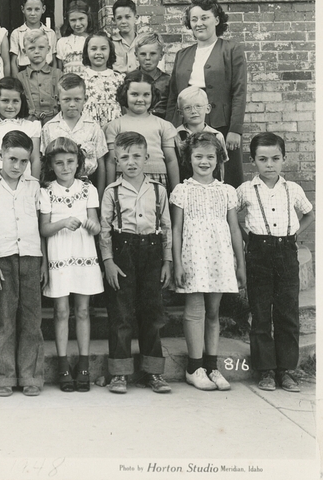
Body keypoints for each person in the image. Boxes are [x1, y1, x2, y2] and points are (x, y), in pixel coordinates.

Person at [237, 133, 314, 393]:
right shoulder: (246, 189)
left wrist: (293, 235)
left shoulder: (293, 189)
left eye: (275, 159)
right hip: (258, 253)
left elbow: (309, 214)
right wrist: (248, 238)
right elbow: (232, 216)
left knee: (287, 313)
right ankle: (266, 371)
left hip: (286, 252)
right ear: (253, 161)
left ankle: (286, 371)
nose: (269, 164)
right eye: (262, 159)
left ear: (284, 159)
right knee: (260, 313)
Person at [170, 132, 246, 391]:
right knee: (195, 311)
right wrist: (177, 262)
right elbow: (177, 229)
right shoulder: (182, 190)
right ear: (189, 159)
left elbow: (235, 229)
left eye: (210, 156)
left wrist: (240, 263)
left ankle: (212, 366)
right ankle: (194, 367)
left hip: (219, 257)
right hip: (193, 256)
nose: (204, 161)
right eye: (198, 156)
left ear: (219, 159)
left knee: (213, 312)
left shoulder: (226, 192)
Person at [99, 132, 172, 395]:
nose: (131, 162)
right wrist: (107, 260)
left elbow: (166, 226)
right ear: (117, 160)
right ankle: (119, 374)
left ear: (146, 158)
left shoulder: (158, 190)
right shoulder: (112, 191)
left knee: (152, 313)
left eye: (137, 156)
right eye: (125, 157)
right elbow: (105, 229)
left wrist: (167, 260)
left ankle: (153, 372)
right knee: (121, 314)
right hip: (123, 253)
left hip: (152, 252)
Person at [0, 130, 47, 397]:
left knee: (32, 321)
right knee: (5, 321)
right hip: (2, 258)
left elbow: (41, 227)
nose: (17, 166)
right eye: (12, 159)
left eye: (23, 161)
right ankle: (4, 376)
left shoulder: (33, 186)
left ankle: (31, 376)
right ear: (0, 155)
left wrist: (44, 262)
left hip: (31, 257)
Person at [39, 138, 103, 392]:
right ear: (51, 165)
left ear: (78, 162)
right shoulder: (47, 191)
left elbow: (97, 226)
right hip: (59, 255)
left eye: (70, 162)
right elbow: (44, 229)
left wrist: (90, 225)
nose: (65, 167)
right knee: (61, 311)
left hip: (83, 254)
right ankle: (63, 364)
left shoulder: (88, 189)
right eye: (59, 163)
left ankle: (84, 364)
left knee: (84, 311)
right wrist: (63, 223)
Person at [165, 0, 247, 188]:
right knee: (187, 173)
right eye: (194, 19)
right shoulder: (182, 55)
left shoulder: (231, 50)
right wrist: (170, 128)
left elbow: (239, 91)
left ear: (216, 20)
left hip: (221, 125)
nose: (199, 23)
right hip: (187, 127)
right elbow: (173, 96)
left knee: (224, 177)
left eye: (204, 17)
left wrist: (235, 130)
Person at [104, 78, 180, 192]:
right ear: (125, 95)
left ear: (153, 96)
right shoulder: (115, 126)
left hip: (157, 180)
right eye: (134, 94)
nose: (140, 99)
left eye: (146, 95)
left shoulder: (163, 125)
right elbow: (111, 161)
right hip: (124, 179)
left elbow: (171, 160)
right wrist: (109, 190)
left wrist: (176, 193)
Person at [40, 73, 107, 199]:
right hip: (56, 190)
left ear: (85, 99)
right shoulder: (49, 128)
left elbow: (101, 165)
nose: (72, 104)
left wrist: (100, 196)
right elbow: (45, 164)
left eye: (77, 99)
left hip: (87, 190)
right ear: (58, 99)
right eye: (66, 99)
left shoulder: (93, 127)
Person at [0, 77, 41, 179]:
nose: (10, 106)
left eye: (15, 101)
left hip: (25, 181)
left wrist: (34, 185)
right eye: (5, 101)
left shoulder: (31, 126)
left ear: (22, 102)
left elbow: (35, 160)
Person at [174, 86, 228, 182]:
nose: (193, 111)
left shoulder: (217, 135)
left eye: (198, 106)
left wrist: (221, 183)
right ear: (180, 113)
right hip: (185, 183)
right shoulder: (177, 135)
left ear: (208, 108)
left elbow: (220, 165)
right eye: (187, 108)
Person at [14, 28, 62, 123]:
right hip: (29, 124)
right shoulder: (19, 77)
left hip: (55, 123)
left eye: (41, 47)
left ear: (48, 49)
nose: (36, 51)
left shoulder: (58, 74)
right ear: (24, 52)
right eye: (31, 48)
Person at [79, 31, 124, 127]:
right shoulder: (80, 79)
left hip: (114, 127)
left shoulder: (120, 78)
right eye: (94, 49)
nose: (98, 53)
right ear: (87, 52)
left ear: (110, 51)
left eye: (103, 49)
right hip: (88, 127)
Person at [124, 32, 170, 119]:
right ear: (136, 56)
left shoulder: (168, 81)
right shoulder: (129, 79)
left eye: (152, 54)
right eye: (143, 54)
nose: (148, 58)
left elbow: (171, 108)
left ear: (161, 56)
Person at [9, 0, 57, 70]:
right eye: (29, 9)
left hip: (46, 72)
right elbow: (14, 62)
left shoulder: (50, 33)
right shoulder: (17, 33)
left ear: (43, 9)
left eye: (37, 9)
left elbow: (54, 60)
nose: (33, 13)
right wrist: (17, 81)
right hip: (25, 72)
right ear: (22, 9)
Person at [56, 0, 94, 74]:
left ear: (88, 18)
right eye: (73, 20)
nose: (77, 24)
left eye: (81, 19)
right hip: (69, 83)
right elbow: (60, 70)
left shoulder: (94, 40)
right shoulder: (63, 42)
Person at [111, 0, 139, 74]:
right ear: (114, 20)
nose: (123, 21)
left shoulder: (143, 42)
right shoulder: (110, 44)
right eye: (119, 18)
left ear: (136, 18)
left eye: (127, 17)